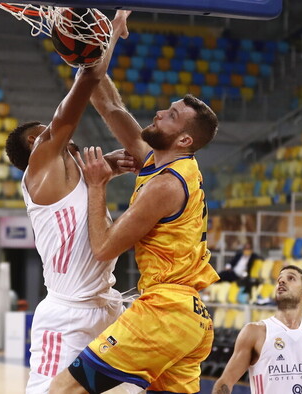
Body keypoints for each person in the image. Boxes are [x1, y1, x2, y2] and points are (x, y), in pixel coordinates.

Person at [49, 70, 221, 392]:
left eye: (171, 115)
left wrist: (97, 185)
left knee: (62, 389)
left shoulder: (166, 185)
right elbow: (111, 105)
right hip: (190, 317)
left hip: (164, 312)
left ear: (184, 140)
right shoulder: (160, 161)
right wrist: (98, 51)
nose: (159, 113)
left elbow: (104, 248)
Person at [3, 11, 132, 394]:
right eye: (43, 131)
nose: (52, 129)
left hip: (107, 306)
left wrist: (119, 163)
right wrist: (108, 35)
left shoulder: (79, 170)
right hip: (67, 316)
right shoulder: (41, 167)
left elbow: (119, 130)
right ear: (34, 144)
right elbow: (89, 77)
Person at [212, 265, 302, 394]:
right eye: (279, 280)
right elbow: (225, 382)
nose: (281, 281)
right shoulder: (255, 332)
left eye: (291, 278)